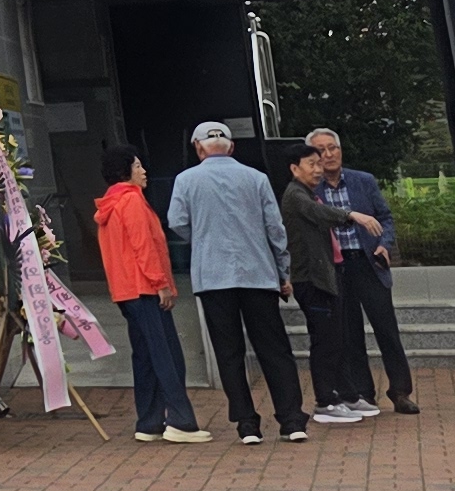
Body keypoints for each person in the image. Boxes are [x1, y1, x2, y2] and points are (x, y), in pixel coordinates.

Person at [168, 122, 305, 445]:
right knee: (274, 348)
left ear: (198, 147)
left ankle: (247, 424)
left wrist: (203, 240)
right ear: (231, 147)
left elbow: (177, 222)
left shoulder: (185, 180)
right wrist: (283, 271)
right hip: (258, 274)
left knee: (229, 352)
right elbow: (275, 228)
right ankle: (291, 420)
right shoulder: (256, 178)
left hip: (213, 277)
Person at [92, 150, 206, 443]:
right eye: (138, 166)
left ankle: (150, 421)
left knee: (145, 356)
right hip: (145, 288)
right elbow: (144, 245)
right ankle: (180, 420)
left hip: (126, 290)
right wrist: (161, 283)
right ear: (125, 171)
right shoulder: (131, 200)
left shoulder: (110, 204)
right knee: (166, 354)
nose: (144, 171)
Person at [281, 139, 382, 425]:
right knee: (325, 342)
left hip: (327, 275)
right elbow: (319, 214)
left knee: (338, 339)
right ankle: (325, 401)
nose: (318, 169)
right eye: (311, 164)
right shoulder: (296, 195)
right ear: (295, 169)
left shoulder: (309, 193)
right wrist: (352, 215)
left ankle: (347, 395)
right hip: (311, 279)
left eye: (319, 164)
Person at [324, 133, 419, 415]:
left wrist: (384, 245)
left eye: (333, 148)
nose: (329, 154)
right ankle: (363, 393)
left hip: (368, 262)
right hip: (336, 266)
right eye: (321, 150)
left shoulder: (362, 180)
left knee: (386, 329)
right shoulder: (310, 188)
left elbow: (385, 217)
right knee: (349, 333)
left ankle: (400, 391)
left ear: (340, 150)